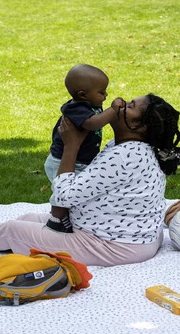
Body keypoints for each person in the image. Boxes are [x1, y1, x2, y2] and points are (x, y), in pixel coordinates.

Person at [0, 94, 180, 267]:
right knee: (27, 219)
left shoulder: (127, 155)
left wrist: (71, 146)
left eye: (131, 106)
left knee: (15, 230)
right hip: (126, 237)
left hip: (114, 245)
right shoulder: (127, 148)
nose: (120, 102)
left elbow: (66, 196)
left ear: (139, 126)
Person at [45, 64, 123, 233]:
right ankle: (56, 218)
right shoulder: (76, 108)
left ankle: (69, 216)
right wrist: (113, 109)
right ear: (83, 94)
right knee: (64, 192)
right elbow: (93, 123)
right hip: (61, 161)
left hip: (81, 160)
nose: (106, 95)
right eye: (102, 92)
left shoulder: (90, 103)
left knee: (80, 192)